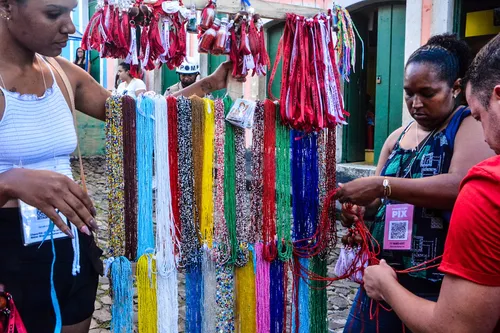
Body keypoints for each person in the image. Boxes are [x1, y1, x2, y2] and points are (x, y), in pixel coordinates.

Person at [0, 0, 232, 331]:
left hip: (71, 243)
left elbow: (141, 117)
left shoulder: (64, 75)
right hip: (8, 249)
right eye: (54, 14)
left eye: (70, 12)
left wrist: (208, 85)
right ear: (8, 6)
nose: (70, 27)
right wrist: (9, 182)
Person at [334, 34, 494, 333]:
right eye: (409, 93)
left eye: (427, 93)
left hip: (437, 284)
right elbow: (378, 202)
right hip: (384, 276)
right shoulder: (397, 136)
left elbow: (460, 187)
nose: (416, 103)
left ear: (455, 88)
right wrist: (360, 209)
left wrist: (381, 185)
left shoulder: (468, 125)